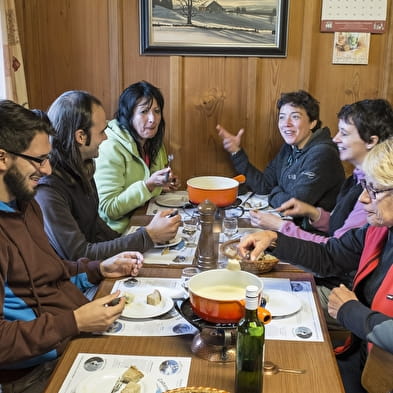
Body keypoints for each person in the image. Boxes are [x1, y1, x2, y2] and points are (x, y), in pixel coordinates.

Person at [0, 100, 144, 393]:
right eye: (39, 160)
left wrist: (96, 269)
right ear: (2, 158)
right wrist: (75, 322)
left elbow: (48, 269)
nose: (48, 169)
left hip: (70, 340)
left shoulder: (25, 204)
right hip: (35, 373)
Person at [237, 138, 393, 393]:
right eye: (365, 186)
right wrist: (274, 240)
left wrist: (350, 311)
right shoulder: (378, 231)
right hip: (361, 363)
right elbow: (330, 255)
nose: (364, 198)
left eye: (373, 189)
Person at [249, 99, 393, 289]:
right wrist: (314, 213)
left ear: (371, 141)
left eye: (344, 133)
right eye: (282, 117)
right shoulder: (359, 179)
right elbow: (338, 242)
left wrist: (281, 227)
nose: (335, 139)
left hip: (342, 284)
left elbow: (334, 251)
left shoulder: (375, 201)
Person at [35, 90, 181, 263]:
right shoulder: (48, 188)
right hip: (73, 283)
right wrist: (147, 236)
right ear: (80, 137)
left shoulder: (84, 166)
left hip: (94, 270)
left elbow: (97, 229)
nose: (105, 138)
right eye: (102, 132)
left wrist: (148, 235)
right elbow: (80, 255)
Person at [217, 90, 345, 213]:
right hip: (290, 223)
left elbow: (295, 205)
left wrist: (275, 192)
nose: (286, 123)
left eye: (295, 117)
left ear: (312, 123)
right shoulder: (289, 148)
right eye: (282, 117)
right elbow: (265, 185)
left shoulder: (323, 153)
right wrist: (236, 152)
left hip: (313, 231)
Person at [94, 81, 179, 234]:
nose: (153, 119)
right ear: (128, 114)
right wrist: (149, 186)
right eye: (144, 111)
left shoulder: (153, 142)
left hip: (145, 221)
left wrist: (162, 185)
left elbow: (148, 187)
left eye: (157, 111)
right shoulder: (109, 146)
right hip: (116, 234)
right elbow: (108, 209)